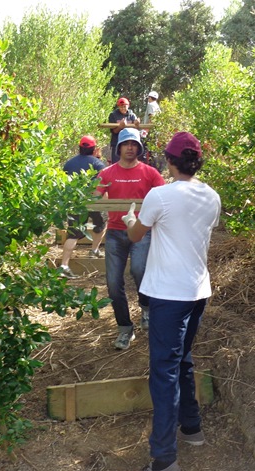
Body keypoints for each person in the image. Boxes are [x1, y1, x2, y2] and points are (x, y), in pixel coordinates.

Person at [121, 132, 221, 471]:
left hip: (168, 295)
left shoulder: (159, 195)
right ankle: (192, 428)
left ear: (169, 161)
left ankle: (164, 461)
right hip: (198, 291)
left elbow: (136, 235)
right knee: (183, 359)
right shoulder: (211, 196)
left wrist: (130, 218)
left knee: (163, 373)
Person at [96, 128, 165, 349]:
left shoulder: (150, 173)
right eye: (126, 144)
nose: (130, 148)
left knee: (139, 269)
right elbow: (93, 196)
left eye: (134, 144)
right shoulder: (107, 173)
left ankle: (146, 307)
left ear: (139, 148)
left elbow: (165, 198)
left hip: (141, 231)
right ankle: (125, 329)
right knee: (113, 284)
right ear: (119, 148)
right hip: (115, 233)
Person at [60, 135, 107, 278]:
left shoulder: (69, 164)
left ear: (79, 148)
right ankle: (94, 250)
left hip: (75, 202)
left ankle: (64, 265)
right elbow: (102, 186)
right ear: (94, 149)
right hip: (94, 201)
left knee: (73, 233)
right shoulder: (98, 165)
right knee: (101, 224)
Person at [108, 97, 140, 164]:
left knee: (130, 163)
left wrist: (137, 124)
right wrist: (120, 127)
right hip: (117, 143)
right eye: (121, 107)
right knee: (116, 164)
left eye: (124, 106)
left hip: (129, 144)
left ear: (128, 106)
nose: (123, 108)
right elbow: (114, 131)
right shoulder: (113, 115)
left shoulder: (132, 115)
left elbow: (136, 129)